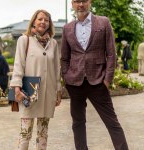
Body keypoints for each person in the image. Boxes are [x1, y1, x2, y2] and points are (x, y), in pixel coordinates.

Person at [61, 0, 129, 149]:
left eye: (83, 1)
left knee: (112, 122)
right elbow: (65, 57)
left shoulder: (103, 22)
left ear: (89, 2)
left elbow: (111, 53)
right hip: (75, 83)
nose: (81, 5)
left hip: (98, 81)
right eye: (77, 1)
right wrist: (66, 77)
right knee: (78, 123)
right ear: (72, 3)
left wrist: (107, 79)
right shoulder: (67, 28)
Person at [10, 9, 61, 150]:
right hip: (29, 93)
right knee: (25, 134)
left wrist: (58, 91)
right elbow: (18, 65)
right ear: (33, 21)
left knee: (43, 134)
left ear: (49, 24)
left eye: (46, 20)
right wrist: (16, 88)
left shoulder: (54, 44)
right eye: (40, 19)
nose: (43, 22)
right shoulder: (24, 40)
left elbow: (57, 69)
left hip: (48, 94)